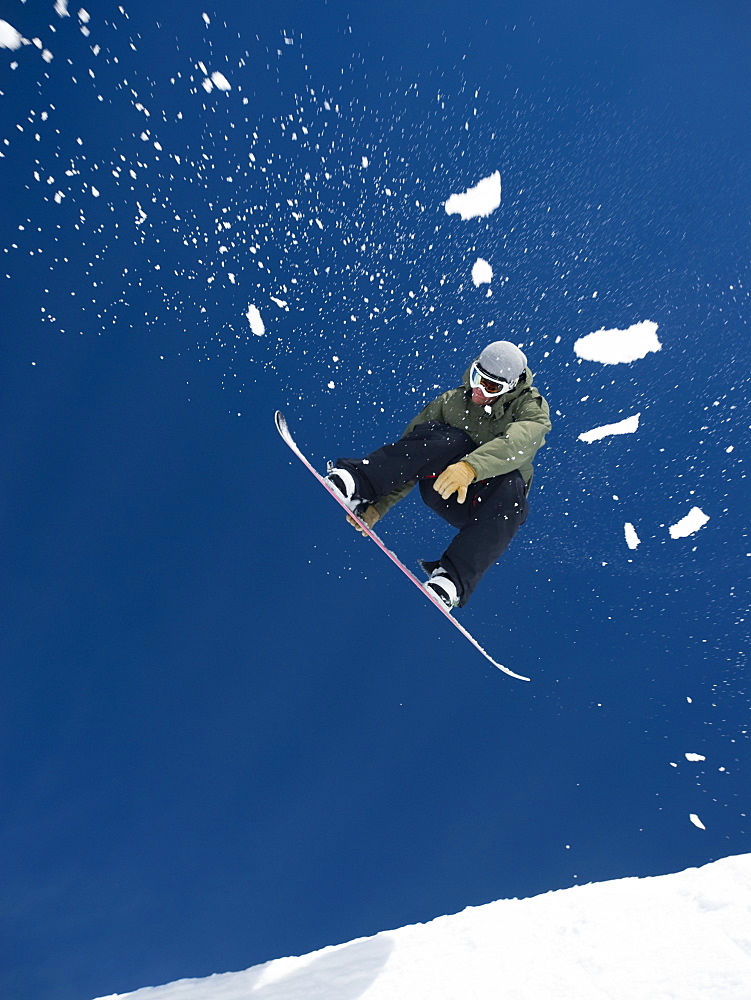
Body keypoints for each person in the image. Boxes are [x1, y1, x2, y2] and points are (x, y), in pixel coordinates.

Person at [326, 341, 552, 609]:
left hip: (479, 504)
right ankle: (359, 482)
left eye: (491, 387)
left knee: (513, 487)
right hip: (442, 487)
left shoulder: (530, 408)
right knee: (448, 438)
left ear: (510, 387)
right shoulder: (451, 402)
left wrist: (471, 468)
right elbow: (412, 453)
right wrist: (378, 505)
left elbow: (522, 440)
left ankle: (452, 580)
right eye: (477, 378)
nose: (479, 390)